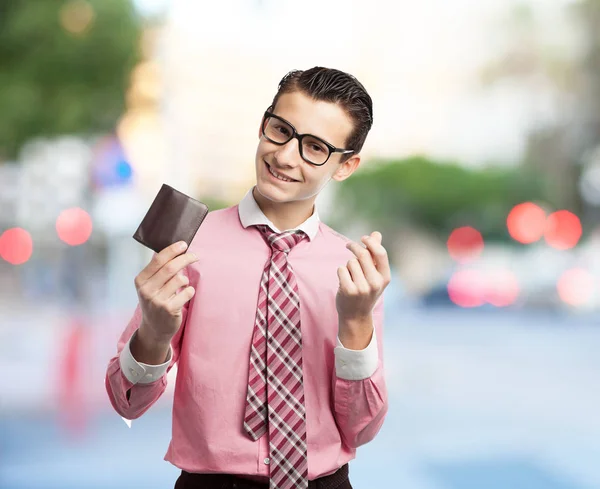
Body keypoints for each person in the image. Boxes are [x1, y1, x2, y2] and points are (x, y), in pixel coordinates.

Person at [105, 66, 391, 489]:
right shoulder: (187, 242)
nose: (285, 156)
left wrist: (355, 321)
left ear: (345, 165)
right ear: (263, 125)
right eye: (281, 130)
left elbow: (361, 429)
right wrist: (153, 332)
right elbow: (126, 402)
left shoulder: (353, 270)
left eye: (314, 147)